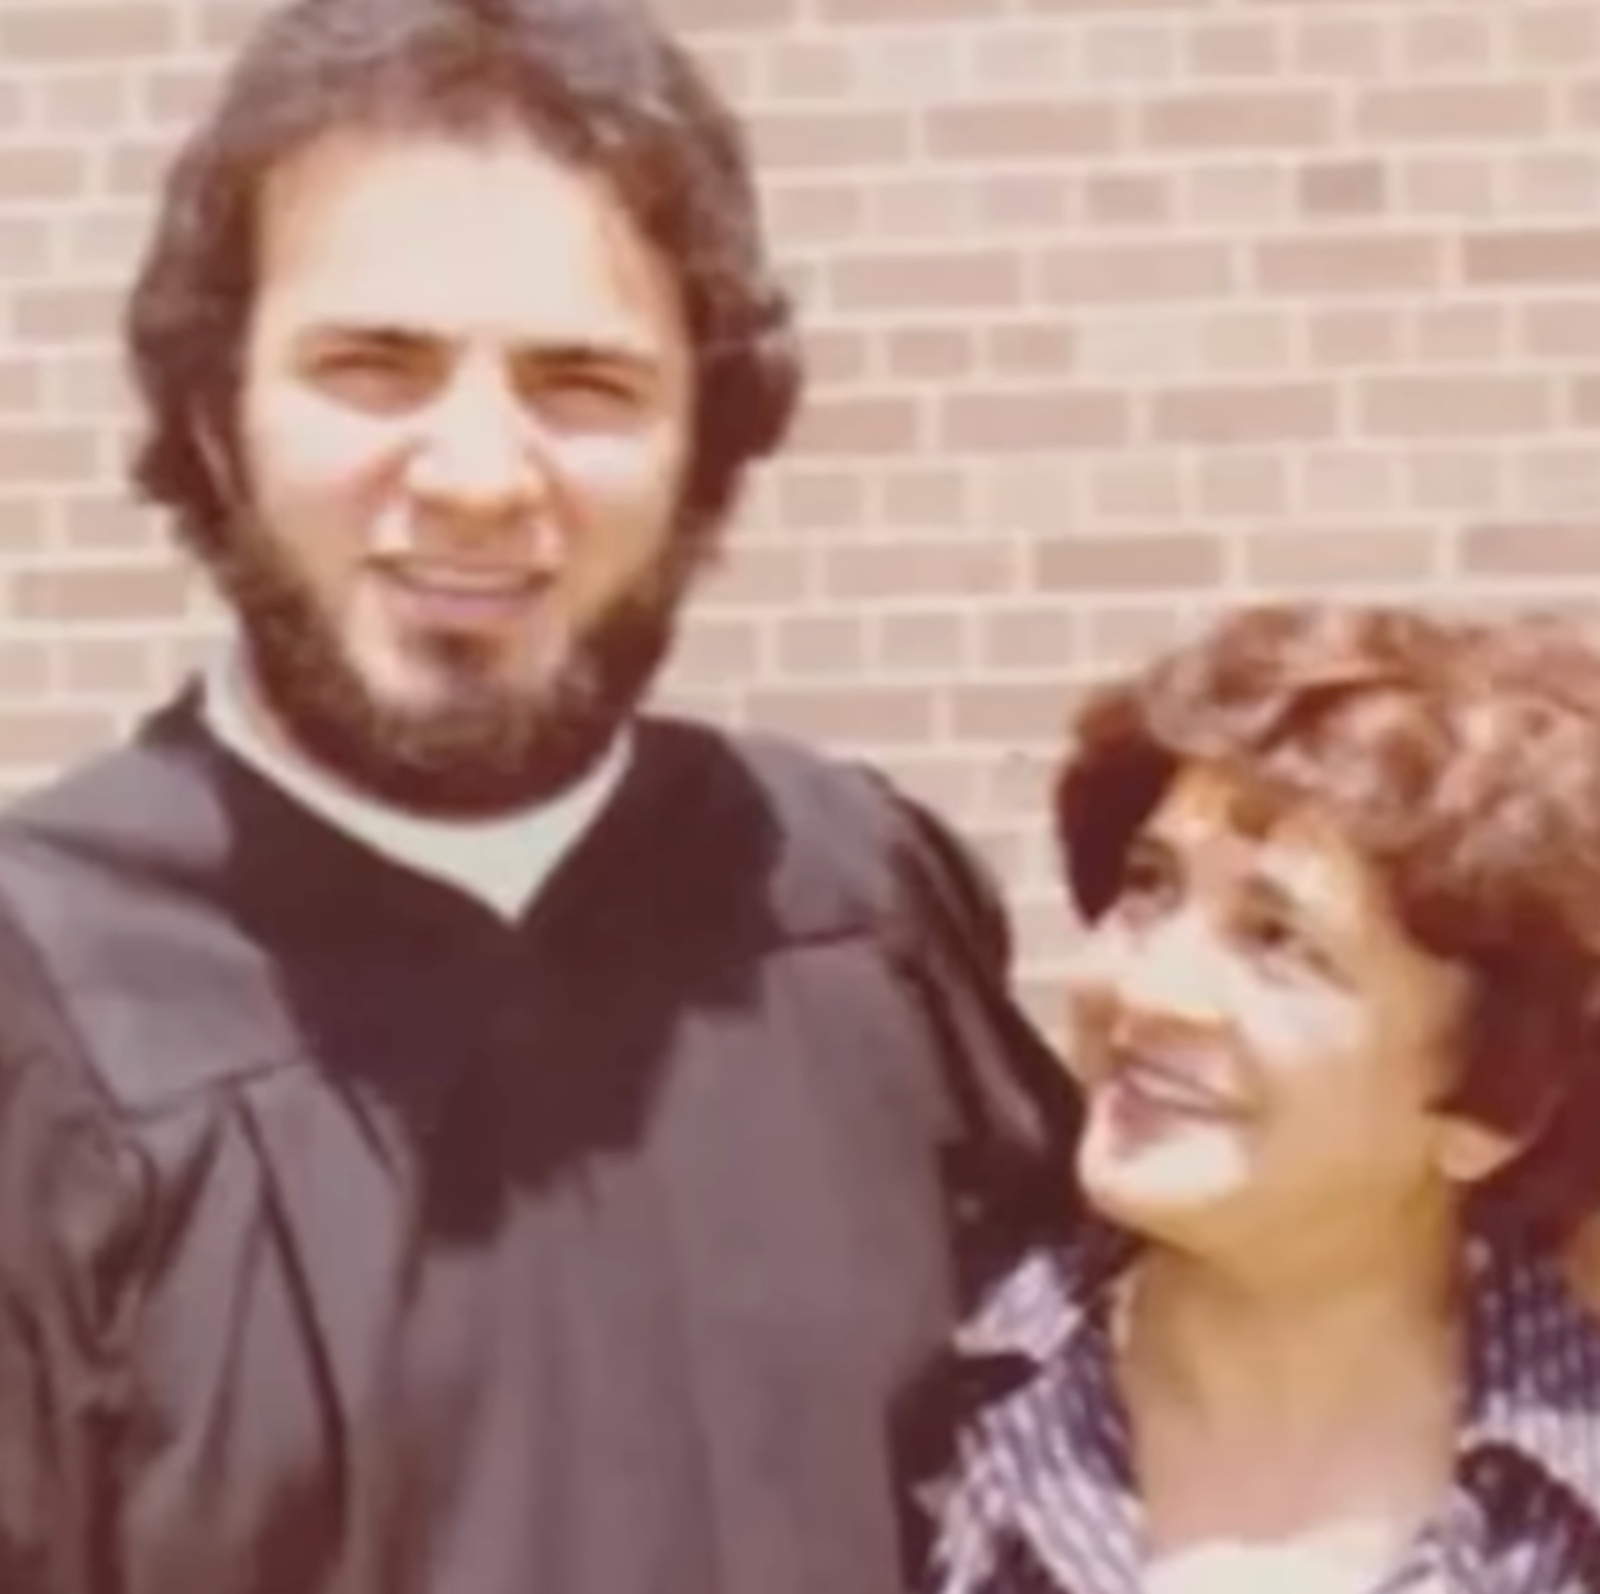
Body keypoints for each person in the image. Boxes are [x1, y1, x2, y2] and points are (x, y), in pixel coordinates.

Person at [0, 1, 1075, 1589]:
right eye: (375, 367)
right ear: (218, 423)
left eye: (582, 383)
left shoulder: (858, 904)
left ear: (706, 454)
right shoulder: (44, 999)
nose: (481, 476)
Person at [909, 605, 1600, 1594]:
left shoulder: (1567, 1516)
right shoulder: (915, 1421)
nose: (1145, 989)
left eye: (1278, 941)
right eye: (1149, 886)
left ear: (1493, 1103)